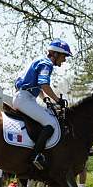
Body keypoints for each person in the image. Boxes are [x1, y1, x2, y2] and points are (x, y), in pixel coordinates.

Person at [13, 38, 72, 170]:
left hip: (24, 97)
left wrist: (45, 99)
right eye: (64, 56)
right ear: (55, 54)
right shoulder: (47, 64)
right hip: (24, 99)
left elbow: (38, 86)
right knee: (50, 123)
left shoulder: (40, 60)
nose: (64, 60)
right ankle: (35, 156)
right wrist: (57, 100)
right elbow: (44, 84)